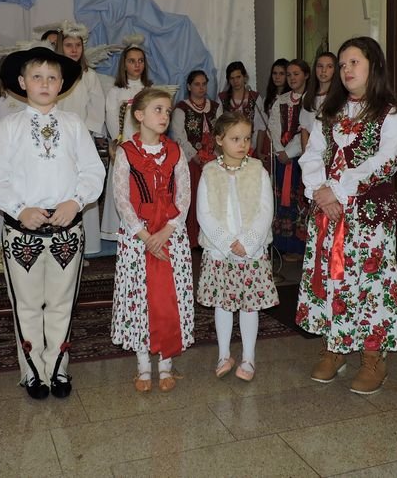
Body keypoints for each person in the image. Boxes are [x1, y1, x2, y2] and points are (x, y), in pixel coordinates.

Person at [0, 46, 105, 400]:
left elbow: (92, 170)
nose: (45, 83)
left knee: (62, 303)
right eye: (37, 76)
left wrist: (76, 201)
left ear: (62, 84)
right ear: (22, 83)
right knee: (26, 304)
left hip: (67, 229)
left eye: (52, 77)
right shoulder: (10, 127)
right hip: (23, 231)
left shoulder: (73, 125)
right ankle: (33, 371)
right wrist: (20, 209)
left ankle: (58, 368)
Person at [297, 36, 397, 395]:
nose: (346, 70)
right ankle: (334, 347)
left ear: (373, 66)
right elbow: (312, 154)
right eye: (342, 64)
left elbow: (386, 160)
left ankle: (374, 357)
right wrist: (320, 190)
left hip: (368, 215)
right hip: (329, 214)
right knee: (332, 278)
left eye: (353, 62)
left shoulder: (390, 112)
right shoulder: (329, 111)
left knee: (371, 284)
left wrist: (340, 189)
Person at [111, 87, 193, 392]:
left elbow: (183, 194)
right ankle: (143, 366)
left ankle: (166, 363)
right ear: (139, 115)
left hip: (170, 235)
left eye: (168, 111)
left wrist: (167, 231)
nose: (164, 116)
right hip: (138, 238)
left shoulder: (175, 152)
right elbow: (122, 199)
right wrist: (146, 236)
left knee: (169, 297)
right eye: (158, 109)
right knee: (141, 299)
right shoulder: (126, 152)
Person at [196, 111, 277, 382]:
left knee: (249, 305)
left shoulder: (258, 170)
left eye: (246, 138)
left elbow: (265, 210)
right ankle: (224, 354)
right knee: (223, 304)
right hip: (221, 252)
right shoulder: (209, 172)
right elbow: (204, 213)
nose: (243, 144)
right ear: (219, 140)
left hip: (250, 252)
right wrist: (227, 242)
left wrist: (248, 241)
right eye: (235, 138)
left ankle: (248, 357)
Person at [55, 23, 106, 257]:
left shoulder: (89, 75)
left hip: (81, 139)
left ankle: (87, 244)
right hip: (56, 139)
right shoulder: (54, 74)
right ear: (60, 47)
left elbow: (96, 107)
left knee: (83, 187)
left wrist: (87, 134)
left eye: (78, 45)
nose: (74, 49)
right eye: (69, 45)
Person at [101, 45, 153, 241]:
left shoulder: (149, 90)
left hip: (146, 148)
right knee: (122, 189)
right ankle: (117, 232)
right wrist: (122, 145)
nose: (137, 65)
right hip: (125, 148)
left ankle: (144, 229)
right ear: (124, 64)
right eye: (132, 61)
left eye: (140, 61)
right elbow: (112, 119)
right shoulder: (116, 92)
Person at [267, 58, 310, 261]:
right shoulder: (281, 100)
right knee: (281, 201)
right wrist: (279, 151)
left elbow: (306, 131)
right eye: (289, 74)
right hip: (282, 159)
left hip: (301, 160)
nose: (292, 78)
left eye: (296, 74)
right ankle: (281, 244)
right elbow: (273, 126)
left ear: (306, 75)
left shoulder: (311, 101)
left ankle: (299, 248)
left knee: (299, 201)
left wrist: (289, 152)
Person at [171, 70, 218, 249]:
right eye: (197, 84)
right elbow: (179, 136)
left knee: (212, 199)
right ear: (189, 86)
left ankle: (212, 237)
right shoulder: (181, 108)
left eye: (204, 84)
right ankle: (192, 238)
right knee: (193, 198)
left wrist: (214, 154)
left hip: (213, 161)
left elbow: (221, 132)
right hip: (191, 163)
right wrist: (195, 156)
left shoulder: (215, 107)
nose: (201, 88)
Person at [218, 61, 266, 153]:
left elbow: (260, 126)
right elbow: (219, 126)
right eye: (232, 78)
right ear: (228, 80)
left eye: (238, 77)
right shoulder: (222, 98)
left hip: (250, 147)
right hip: (228, 148)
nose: (235, 81)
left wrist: (257, 150)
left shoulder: (254, 97)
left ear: (244, 77)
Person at [300, 51, 337, 151]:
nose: (323, 70)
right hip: (312, 150)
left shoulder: (340, 97)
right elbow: (304, 129)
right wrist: (305, 154)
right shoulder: (307, 96)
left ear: (335, 70)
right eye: (320, 66)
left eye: (329, 66)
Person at [258, 58, 289, 158]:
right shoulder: (267, 99)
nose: (277, 77)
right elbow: (262, 126)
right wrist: (259, 151)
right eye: (274, 73)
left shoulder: (292, 98)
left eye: (281, 74)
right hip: (270, 143)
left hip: (287, 144)